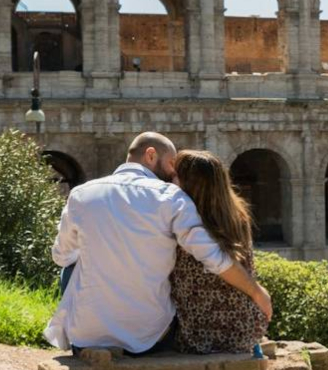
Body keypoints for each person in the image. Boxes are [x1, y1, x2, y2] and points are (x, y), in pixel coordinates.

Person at [44, 133, 272, 355]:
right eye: (172, 162)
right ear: (151, 155)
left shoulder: (80, 194)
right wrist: (256, 292)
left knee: (72, 265)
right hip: (150, 339)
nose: (173, 171)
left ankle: (87, 328)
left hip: (86, 337)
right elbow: (213, 257)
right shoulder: (172, 197)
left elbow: (61, 257)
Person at [169, 150, 269, 355]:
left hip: (196, 335)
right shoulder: (237, 216)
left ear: (188, 184)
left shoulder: (185, 223)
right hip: (244, 328)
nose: (170, 181)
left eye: (174, 176)